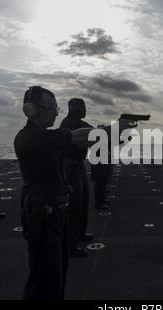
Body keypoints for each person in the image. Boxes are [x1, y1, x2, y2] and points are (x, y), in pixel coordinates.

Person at [14, 86, 134, 300]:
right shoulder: (28, 138)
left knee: (56, 276)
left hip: (55, 215)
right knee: (45, 280)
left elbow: (85, 138)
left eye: (56, 107)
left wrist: (114, 134)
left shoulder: (45, 138)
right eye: (50, 107)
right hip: (43, 218)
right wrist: (112, 130)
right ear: (31, 109)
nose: (55, 112)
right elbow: (77, 136)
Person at [60, 98, 93, 258]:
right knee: (73, 206)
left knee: (82, 202)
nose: (85, 109)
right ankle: (71, 244)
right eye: (82, 106)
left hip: (78, 165)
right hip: (71, 166)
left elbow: (97, 135)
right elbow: (95, 136)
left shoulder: (79, 123)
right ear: (73, 108)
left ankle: (79, 233)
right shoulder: (69, 123)